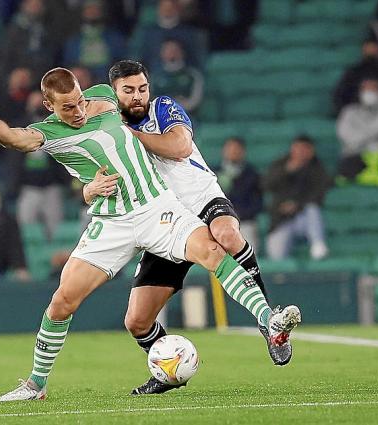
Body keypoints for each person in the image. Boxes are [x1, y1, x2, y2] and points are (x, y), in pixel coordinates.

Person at [0, 67, 300, 401]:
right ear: (49, 106)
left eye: (79, 101)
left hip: (156, 207)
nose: (78, 111)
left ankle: (269, 321)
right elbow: (15, 138)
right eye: (68, 107)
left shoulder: (104, 97)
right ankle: (36, 384)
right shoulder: (50, 133)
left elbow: (139, 106)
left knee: (213, 251)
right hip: (111, 222)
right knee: (62, 302)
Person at [80, 60, 283, 395]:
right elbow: (92, 181)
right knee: (137, 322)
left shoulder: (163, 108)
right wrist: (92, 188)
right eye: (128, 90)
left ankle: (267, 322)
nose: (138, 96)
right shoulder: (106, 139)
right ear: (114, 93)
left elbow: (180, 147)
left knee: (227, 235)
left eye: (142, 88)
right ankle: (168, 370)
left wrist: (127, 134)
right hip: (164, 223)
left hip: (201, 201)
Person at [264, 136, 330, 261]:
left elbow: (318, 194)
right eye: (297, 148)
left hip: (304, 219)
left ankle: (318, 245)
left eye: (304, 149)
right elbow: (266, 185)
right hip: (281, 220)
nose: (300, 152)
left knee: (312, 209)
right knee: (276, 258)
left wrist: (297, 205)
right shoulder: (281, 165)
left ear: (311, 151)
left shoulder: (317, 169)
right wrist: (287, 171)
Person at [216, 137, 263, 251]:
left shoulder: (251, 174)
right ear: (224, 151)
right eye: (230, 148)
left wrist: (238, 215)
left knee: (249, 253)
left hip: (244, 221)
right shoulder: (213, 172)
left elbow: (258, 202)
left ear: (243, 152)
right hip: (218, 221)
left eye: (236, 149)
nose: (233, 152)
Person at [62, 0, 126, 82]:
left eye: (96, 8)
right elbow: (68, 62)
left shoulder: (114, 37)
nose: (92, 11)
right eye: (89, 8)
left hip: (106, 77)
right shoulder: (73, 40)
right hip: (81, 78)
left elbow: (122, 60)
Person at [333, 40, 378, 114]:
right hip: (358, 111)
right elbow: (340, 96)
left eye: (373, 48)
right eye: (368, 49)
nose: (371, 51)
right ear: (363, 51)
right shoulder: (354, 72)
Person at [150, 39, 204, 114]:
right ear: (161, 53)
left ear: (182, 52)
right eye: (167, 49)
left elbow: (195, 100)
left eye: (175, 49)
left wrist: (175, 108)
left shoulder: (192, 75)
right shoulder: (154, 76)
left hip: (185, 116)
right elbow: (149, 99)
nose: (172, 52)